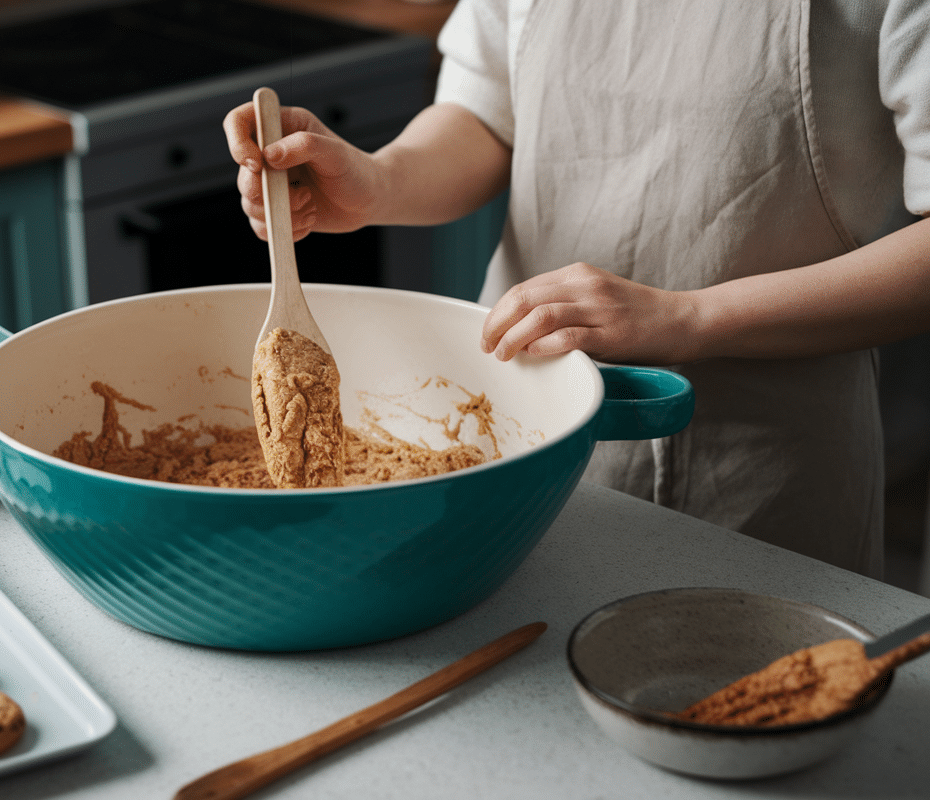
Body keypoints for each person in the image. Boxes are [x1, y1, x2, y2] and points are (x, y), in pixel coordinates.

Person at [223, 0, 930, 578]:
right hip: (524, 435)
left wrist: (689, 317)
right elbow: (486, 113)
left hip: (769, 469)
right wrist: (378, 182)